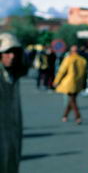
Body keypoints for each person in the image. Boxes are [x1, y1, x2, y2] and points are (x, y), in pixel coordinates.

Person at [0, 33, 27, 173]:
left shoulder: (12, 76)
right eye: (7, 52)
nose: (12, 56)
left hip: (11, 137)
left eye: (15, 52)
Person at [53, 45, 87, 124]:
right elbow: (85, 74)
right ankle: (65, 116)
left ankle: (78, 117)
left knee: (72, 100)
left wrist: (56, 81)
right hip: (78, 83)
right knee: (72, 99)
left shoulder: (68, 59)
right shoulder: (83, 60)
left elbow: (62, 71)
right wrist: (84, 84)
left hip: (69, 83)